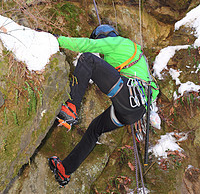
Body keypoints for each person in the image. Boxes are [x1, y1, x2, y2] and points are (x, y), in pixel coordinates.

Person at [48, 24, 159, 187]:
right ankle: (64, 170)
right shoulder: (137, 55)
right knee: (94, 129)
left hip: (127, 94)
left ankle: (71, 108)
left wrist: (56, 40)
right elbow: (153, 91)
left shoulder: (117, 42)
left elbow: (87, 46)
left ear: (103, 36)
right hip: (134, 111)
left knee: (88, 58)